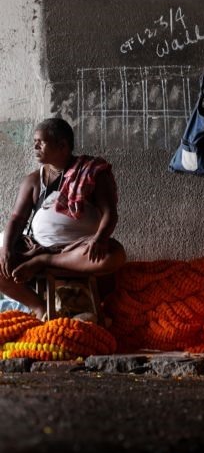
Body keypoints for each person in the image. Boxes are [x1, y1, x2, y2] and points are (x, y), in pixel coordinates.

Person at [0, 118, 126, 319]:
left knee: (115, 255)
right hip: (35, 248)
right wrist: (7, 250)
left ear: (62, 145)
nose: (35, 146)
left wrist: (100, 239)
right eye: (35, 141)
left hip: (77, 249)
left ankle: (46, 261)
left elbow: (110, 213)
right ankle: (40, 308)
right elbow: (16, 220)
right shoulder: (33, 180)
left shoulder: (92, 172)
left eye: (41, 141)